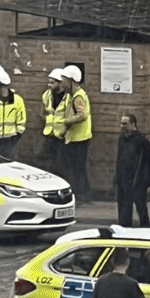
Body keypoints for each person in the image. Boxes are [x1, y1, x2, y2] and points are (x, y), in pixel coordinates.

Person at [113, 114, 150, 227]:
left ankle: (145, 229)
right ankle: (124, 228)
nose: (122, 126)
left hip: (137, 180)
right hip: (123, 179)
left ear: (133, 124)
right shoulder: (122, 139)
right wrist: (117, 177)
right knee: (124, 208)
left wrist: (144, 178)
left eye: (125, 124)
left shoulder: (141, 141)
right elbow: (119, 159)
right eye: (121, 123)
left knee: (141, 207)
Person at [60, 64, 92, 200]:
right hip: (76, 137)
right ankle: (82, 192)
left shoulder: (77, 96)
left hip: (79, 138)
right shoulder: (73, 95)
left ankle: (82, 194)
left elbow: (82, 115)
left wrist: (67, 121)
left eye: (64, 80)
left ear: (71, 81)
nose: (62, 83)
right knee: (77, 167)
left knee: (77, 168)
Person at [40, 68, 67, 171]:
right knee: (48, 163)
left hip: (62, 136)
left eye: (52, 82)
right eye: (49, 82)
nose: (49, 85)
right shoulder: (46, 95)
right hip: (49, 134)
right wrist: (47, 120)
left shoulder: (67, 96)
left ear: (60, 83)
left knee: (61, 164)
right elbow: (41, 112)